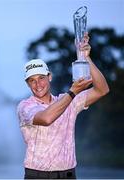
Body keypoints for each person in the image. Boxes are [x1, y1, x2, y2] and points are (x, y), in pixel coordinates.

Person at [17, 33, 109, 179]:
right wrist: (73, 91)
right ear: (27, 84)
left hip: (68, 175)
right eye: (32, 81)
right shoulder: (25, 106)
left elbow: (102, 89)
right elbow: (47, 118)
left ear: (50, 77)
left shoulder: (67, 100)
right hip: (38, 176)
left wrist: (85, 58)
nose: (37, 84)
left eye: (41, 78)